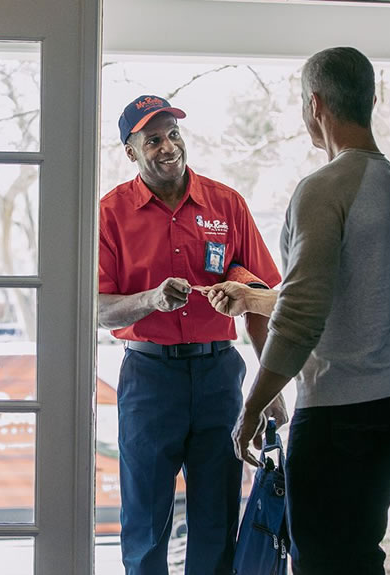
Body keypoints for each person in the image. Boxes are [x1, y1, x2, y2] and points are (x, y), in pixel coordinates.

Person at [207, 47, 390, 575]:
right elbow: (384, 301)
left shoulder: (323, 189)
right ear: (370, 100)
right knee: (357, 551)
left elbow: (305, 311)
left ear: (315, 103)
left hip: (341, 408)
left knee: (323, 559)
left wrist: (254, 406)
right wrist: (257, 300)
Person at [98, 94, 285, 575]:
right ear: (131, 151)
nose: (167, 147)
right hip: (148, 378)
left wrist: (272, 386)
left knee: (217, 517)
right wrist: (151, 300)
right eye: (153, 139)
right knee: (145, 520)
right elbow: (96, 308)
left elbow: (265, 300)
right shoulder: (109, 213)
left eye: (173, 134)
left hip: (219, 374)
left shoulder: (227, 204)